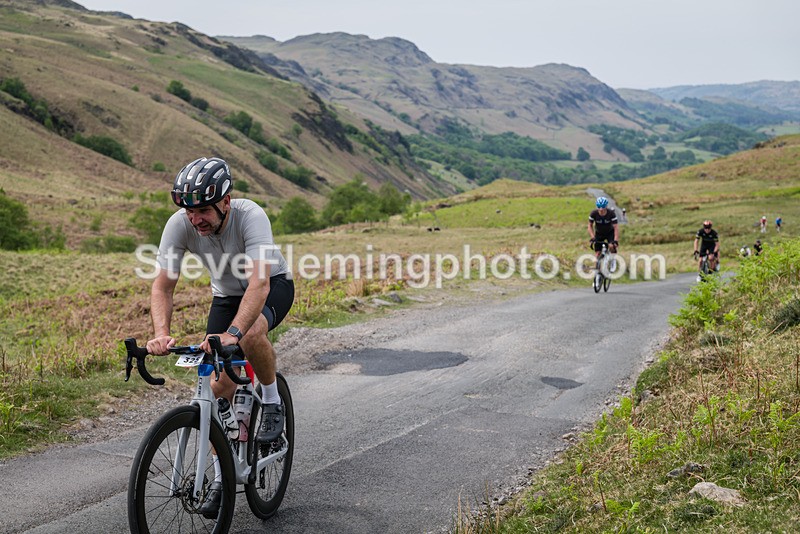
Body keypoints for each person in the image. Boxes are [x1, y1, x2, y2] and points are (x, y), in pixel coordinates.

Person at [145, 157, 294, 516]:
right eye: (189, 211)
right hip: (226, 297)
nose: (195, 219)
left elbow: (258, 284)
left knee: (252, 332)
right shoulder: (179, 226)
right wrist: (161, 334)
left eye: (204, 210)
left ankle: (272, 401)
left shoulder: (251, 216)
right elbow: (163, 286)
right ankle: (219, 478)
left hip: (272, 286)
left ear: (226, 202)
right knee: (216, 389)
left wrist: (234, 333)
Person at [588, 196, 619, 271]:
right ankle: (597, 277)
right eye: (599, 207)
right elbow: (589, 226)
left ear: (606, 206)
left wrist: (615, 240)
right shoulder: (593, 213)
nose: (601, 209)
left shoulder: (611, 214)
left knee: (611, 246)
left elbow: (616, 228)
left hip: (609, 233)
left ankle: (612, 261)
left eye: (603, 207)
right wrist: (592, 237)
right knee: (597, 253)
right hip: (599, 233)